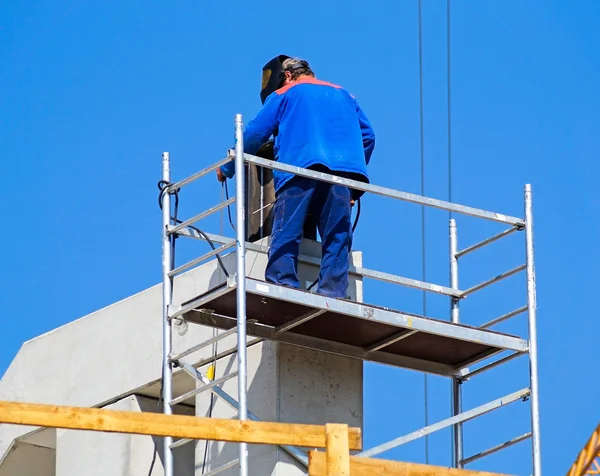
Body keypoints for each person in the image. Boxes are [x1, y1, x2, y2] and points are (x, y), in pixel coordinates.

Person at [217, 55, 375, 299]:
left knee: (287, 229)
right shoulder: (344, 95)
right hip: (342, 178)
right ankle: (332, 294)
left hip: (300, 171)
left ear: (287, 76)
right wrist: (353, 183)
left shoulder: (286, 93)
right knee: (337, 238)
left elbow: (254, 134)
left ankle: (283, 286)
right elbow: (368, 137)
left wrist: (228, 167)